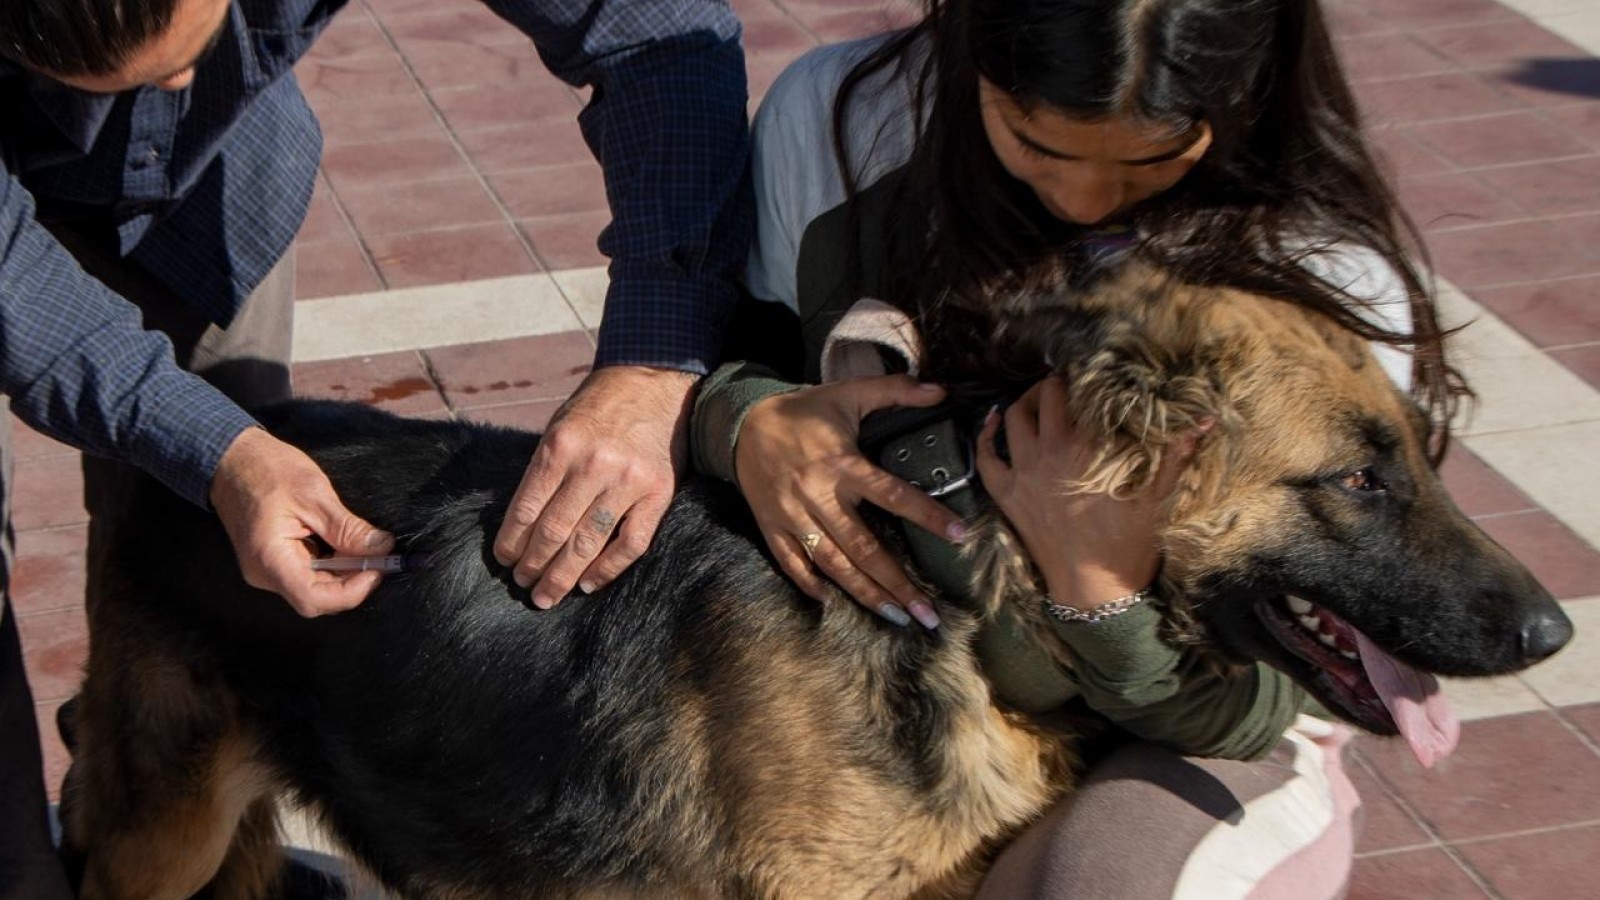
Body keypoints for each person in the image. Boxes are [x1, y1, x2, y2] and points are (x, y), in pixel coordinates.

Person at [691, 0, 1466, 896]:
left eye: (1150, 157)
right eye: (1037, 144)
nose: (1081, 199)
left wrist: (1098, 590)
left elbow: (1252, 710)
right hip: (890, 689)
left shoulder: (1323, 276)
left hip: (1191, 719)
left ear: (1244, 85)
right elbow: (714, 359)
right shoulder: (847, 117)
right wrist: (745, 419)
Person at [0, 1, 750, 896]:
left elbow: (658, 31)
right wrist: (216, 449)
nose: (177, 85)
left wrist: (656, 354)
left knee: (223, 570)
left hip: (208, 199)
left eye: (191, 47)